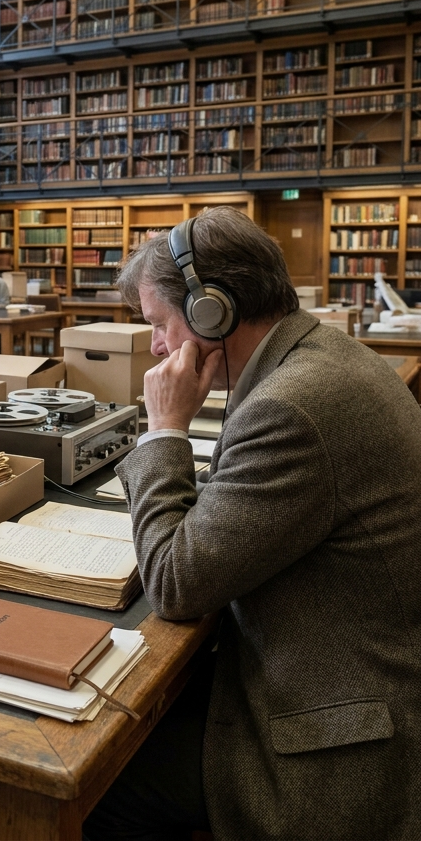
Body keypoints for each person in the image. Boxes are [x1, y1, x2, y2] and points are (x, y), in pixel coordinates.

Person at [84, 206, 421, 841]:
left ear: (213, 310)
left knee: (91, 781)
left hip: (335, 742)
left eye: (159, 324)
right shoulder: (318, 358)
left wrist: (164, 431)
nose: (155, 347)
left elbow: (176, 586)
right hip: (349, 667)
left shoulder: (292, 408)